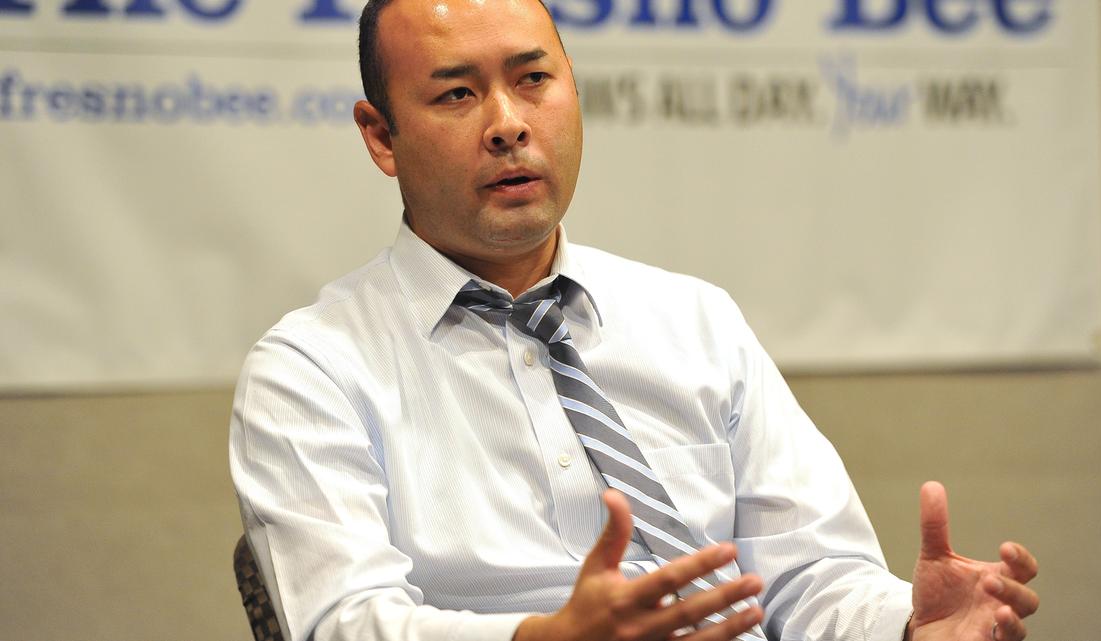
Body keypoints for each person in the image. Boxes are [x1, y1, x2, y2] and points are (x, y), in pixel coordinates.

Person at [229, 0, 1040, 640]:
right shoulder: (312, 369)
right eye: (457, 93)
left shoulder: (694, 320)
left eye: (533, 80)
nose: (508, 122)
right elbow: (341, 621)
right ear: (381, 137)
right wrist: (541, 637)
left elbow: (810, 576)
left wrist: (906, 624)